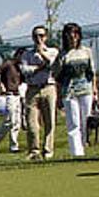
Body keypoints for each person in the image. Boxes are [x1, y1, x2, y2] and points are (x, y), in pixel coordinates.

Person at [54, 23, 97, 158]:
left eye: (75, 33)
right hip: (69, 91)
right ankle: (76, 152)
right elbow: (58, 77)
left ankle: (84, 144)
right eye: (69, 34)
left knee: (85, 121)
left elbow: (92, 72)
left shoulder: (86, 51)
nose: (72, 37)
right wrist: (59, 96)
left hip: (86, 90)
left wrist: (94, 90)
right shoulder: (62, 55)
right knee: (73, 123)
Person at [19, 25, 60, 160]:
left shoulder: (53, 51)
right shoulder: (26, 54)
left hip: (49, 87)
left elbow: (52, 65)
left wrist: (42, 53)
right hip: (32, 89)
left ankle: (48, 150)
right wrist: (40, 67)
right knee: (31, 123)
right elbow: (25, 70)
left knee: (50, 121)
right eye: (36, 36)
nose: (39, 38)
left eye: (41, 35)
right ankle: (34, 151)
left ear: (46, 37)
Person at [0, 48, 25, 154]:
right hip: (9, 96)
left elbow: (22, 80)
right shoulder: (8, 64)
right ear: (18, 55)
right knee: (12, 121)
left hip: (18, 96)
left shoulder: (19, 68)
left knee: (13, 122)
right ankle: (14, 146)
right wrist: (0, 85)